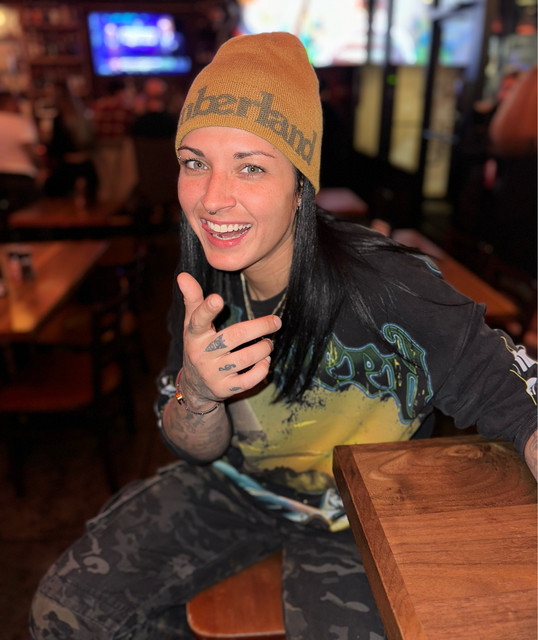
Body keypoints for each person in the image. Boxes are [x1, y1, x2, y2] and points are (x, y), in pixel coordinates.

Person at [30, 33, 537, 639]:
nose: (213, 199)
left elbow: (517, 403)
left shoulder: (391, 287)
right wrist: (199, 394)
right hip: (231, 491)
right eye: (195, 162)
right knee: (63, 613)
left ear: (301, 184)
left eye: (250, 166)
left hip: (357, 518)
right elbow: (191, 445)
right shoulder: (200, 282)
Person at [43, 82, 98, 205]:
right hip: (87, 165)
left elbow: (56, 146)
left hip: (67, 168)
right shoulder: (83, 115)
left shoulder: (59, 119)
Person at [0, 90, 41, 215]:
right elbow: (30, 150)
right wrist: (41, 168)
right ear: (9, 103)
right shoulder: (20, 122)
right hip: (21, 177)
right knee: (29, 214)